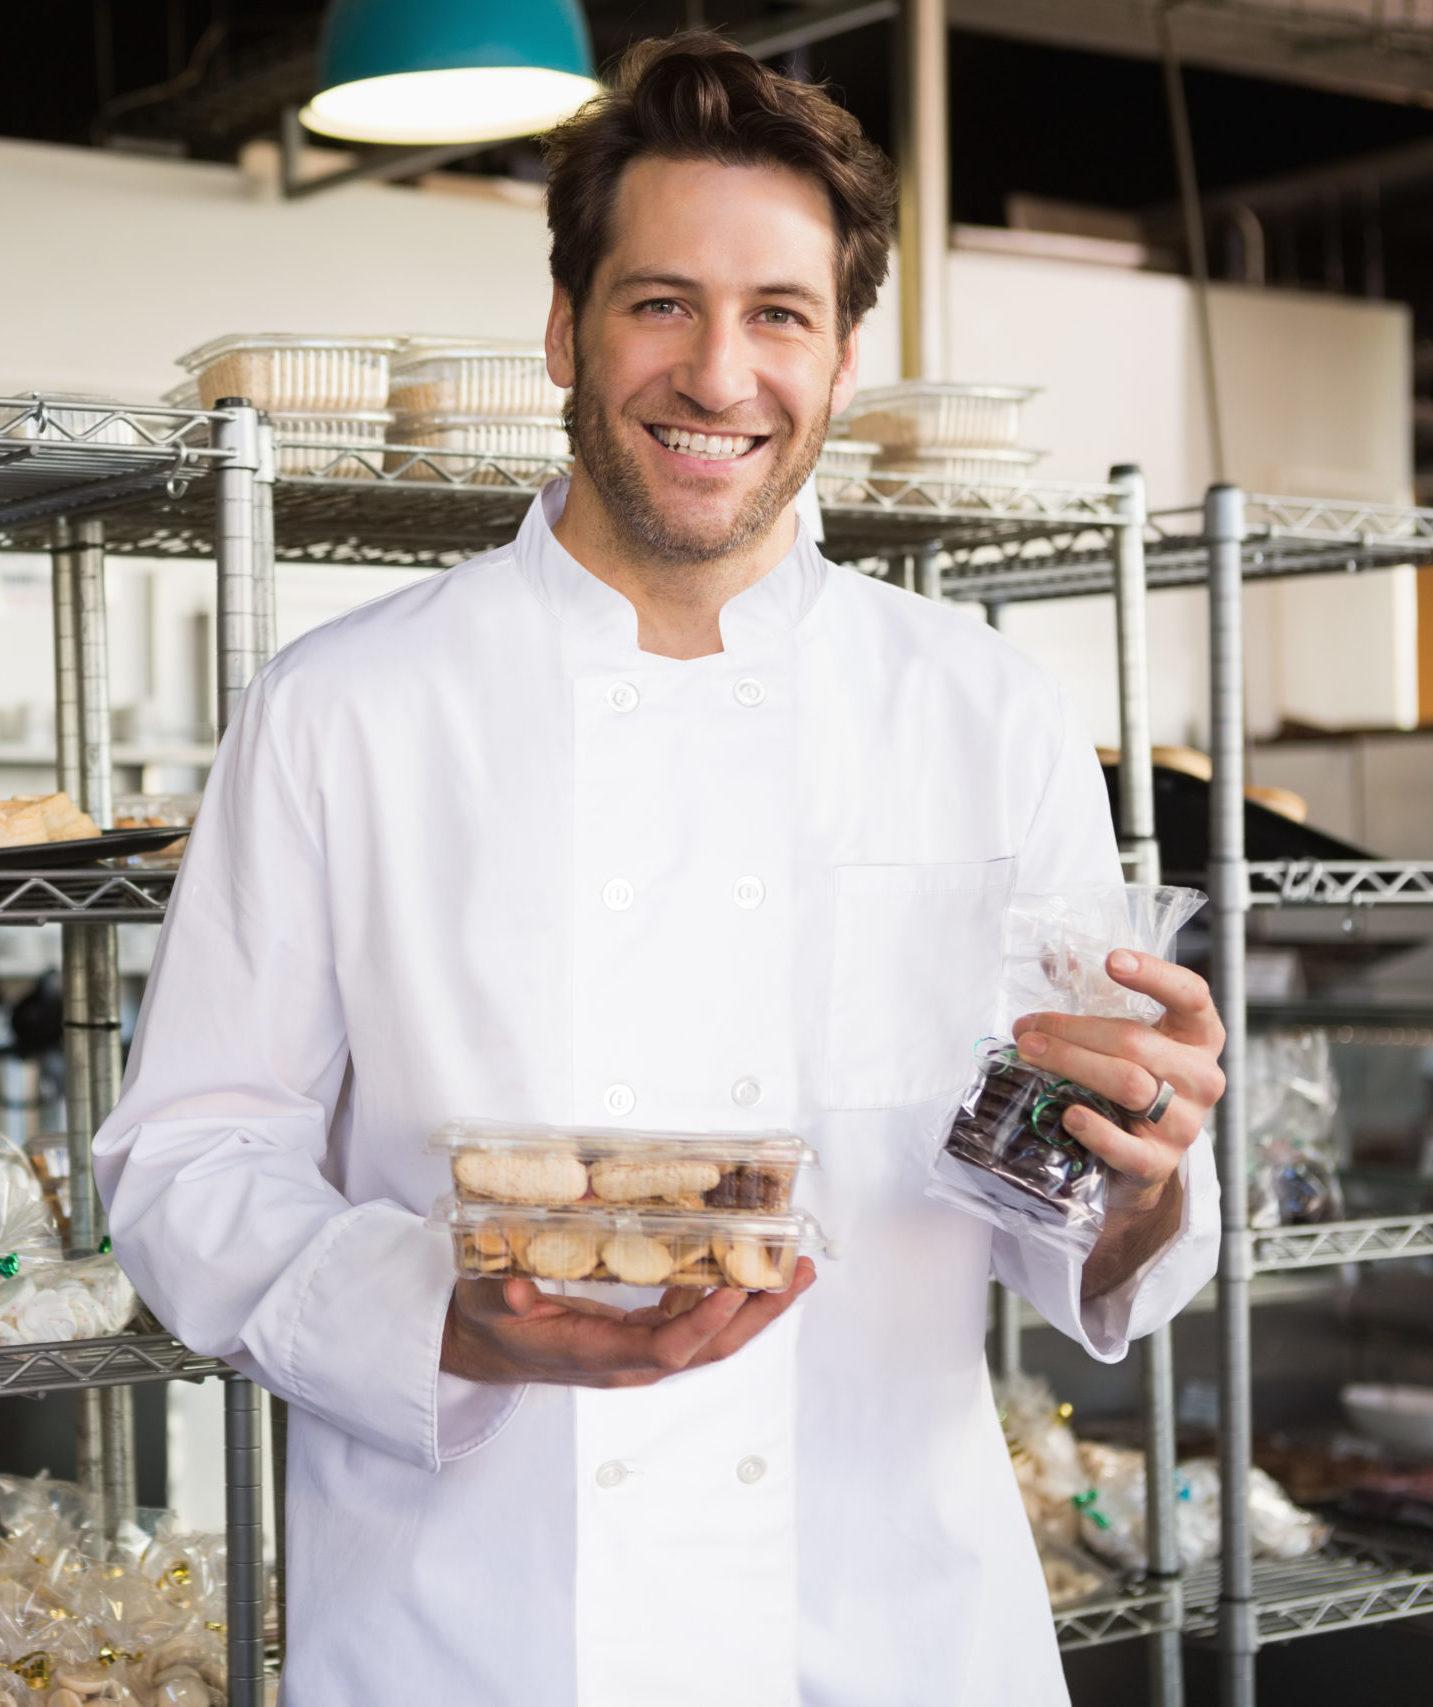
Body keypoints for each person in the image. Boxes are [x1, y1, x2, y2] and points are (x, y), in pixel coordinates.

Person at [94, 32, 1223, 1707]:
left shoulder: (977, 705)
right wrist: (441, 1314)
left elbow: (1049, 1214)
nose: (717, 375)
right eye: (659, 302)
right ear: (565, 329)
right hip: (472, 1639)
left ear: (842, 359)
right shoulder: (348, 707)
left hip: (893, 1638)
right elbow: (190, 1158)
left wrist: (1133, 1180)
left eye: (777, 314)